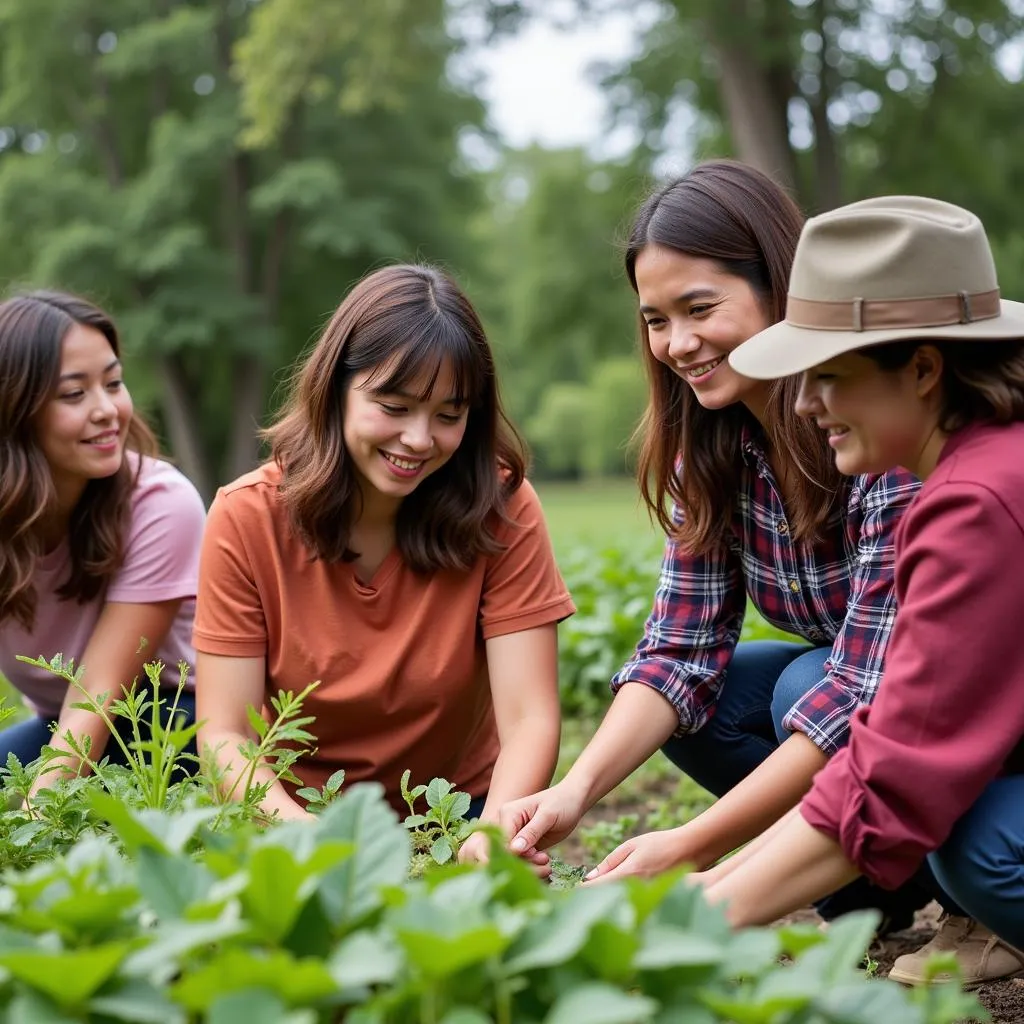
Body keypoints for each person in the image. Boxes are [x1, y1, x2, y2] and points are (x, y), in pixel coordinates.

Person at [499, 160, 963, 949]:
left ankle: (932, 883)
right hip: (874, 721)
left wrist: (694, 849)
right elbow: (677, 651)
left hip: (942, 707)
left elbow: (862, 686)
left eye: (700, 307)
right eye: (654, 319)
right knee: (708, 699)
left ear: (778, 289)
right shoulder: (711, 455)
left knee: (803, 686)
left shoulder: (877, 430)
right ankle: (864, 887)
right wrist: (571, 793)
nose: (678, 343)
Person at [694, 195, 1024, 983]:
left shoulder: (977, 503)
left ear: (921, 369)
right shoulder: (979, 466)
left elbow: (898, 780)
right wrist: (704, 884)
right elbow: (886, 737)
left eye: (829, 378)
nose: (806, 406)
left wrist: (695, 921)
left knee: (979, 849)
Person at [193, 264, 574, 866]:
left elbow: (529, 717)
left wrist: (493, 837)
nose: (419, 440)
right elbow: (225, 736)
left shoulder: (501, 506)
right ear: (334, 389)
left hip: (461, 813)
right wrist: (302, 835)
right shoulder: (247, 517)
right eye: (393, 406)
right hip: (296, 817)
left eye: (449, 415)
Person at [0, 291, 206, 786]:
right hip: (60, 722)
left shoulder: (160, 504)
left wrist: (30, 836)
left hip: (172, 720)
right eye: (75, 394)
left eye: (113, 383)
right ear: (15, 410)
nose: (107, 410)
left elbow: (97, 693)